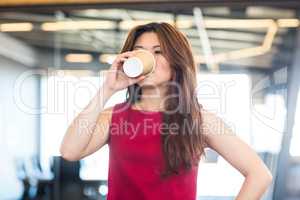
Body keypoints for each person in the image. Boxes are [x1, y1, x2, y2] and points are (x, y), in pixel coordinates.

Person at [60, 22, 273, 200]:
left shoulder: (198, 120)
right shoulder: (113, 117)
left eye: (158, 52)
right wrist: (108, 89)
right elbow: (70, 151)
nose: (148, 60)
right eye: (140, 53)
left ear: (176, 62)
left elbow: (259, 175)